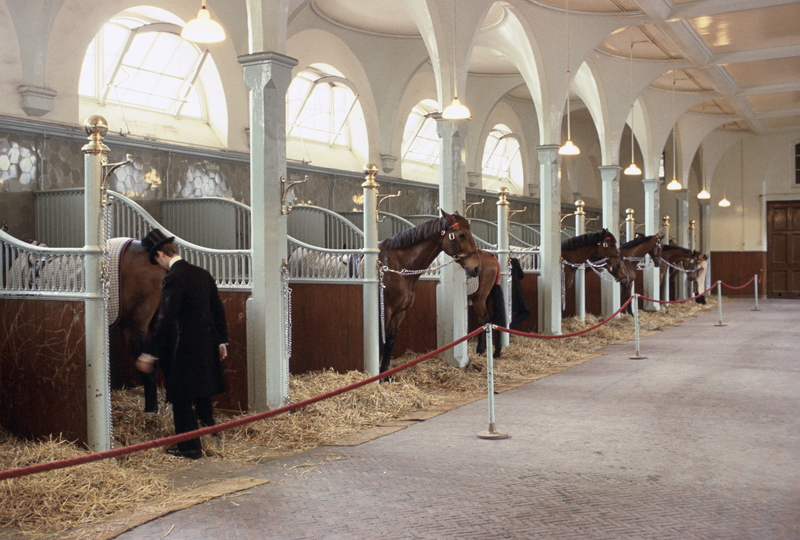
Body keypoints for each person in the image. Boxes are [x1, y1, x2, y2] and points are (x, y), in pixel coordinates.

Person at [136, 229, 228, 459]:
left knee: (181, 395)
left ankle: (189, 447)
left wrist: (150, 352)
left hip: (186, 344)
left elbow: (165, 317)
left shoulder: (174, 278)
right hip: (207, 342)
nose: (159, 266)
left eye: (156, 261)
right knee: (202, 389)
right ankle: (209, 430)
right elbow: (217, 309)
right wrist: (222, 341)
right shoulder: (202, 273)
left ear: (160, 254)